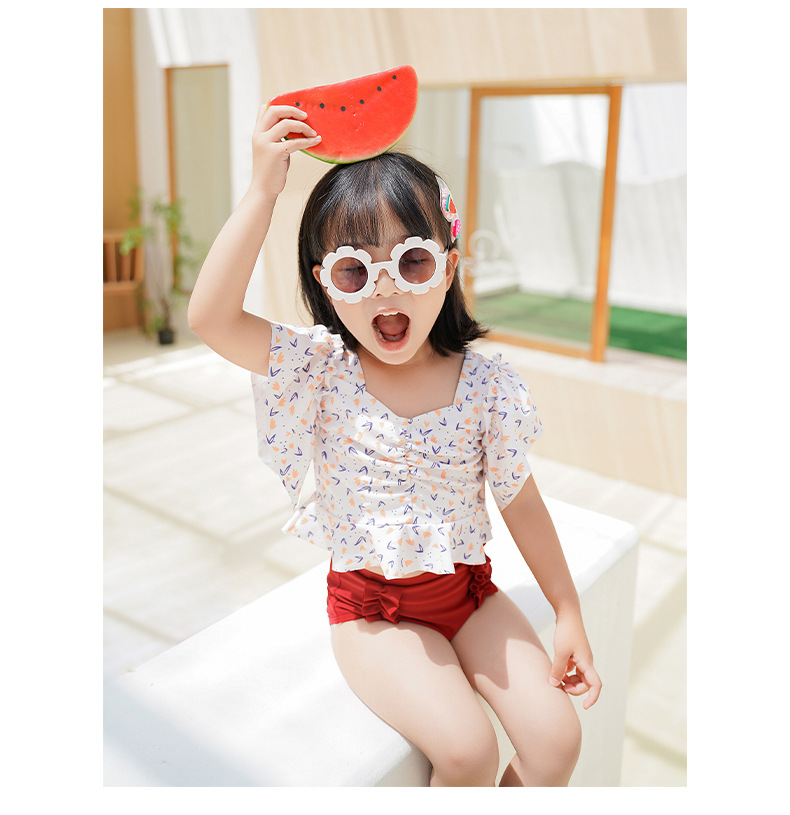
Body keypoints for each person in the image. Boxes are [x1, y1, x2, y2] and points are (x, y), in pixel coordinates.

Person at [188, 103, 602, 787]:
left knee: (557, 741)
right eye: (354, 271)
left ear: (448, 266)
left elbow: (521, 502)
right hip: (371, 612)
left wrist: (568, 610)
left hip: (468, 595)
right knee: (467, 752)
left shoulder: (486, 383)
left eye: (412, 261)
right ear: (324, 284)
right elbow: (210, 317)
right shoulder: (321, 368)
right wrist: (263, 188)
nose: (385, 286)